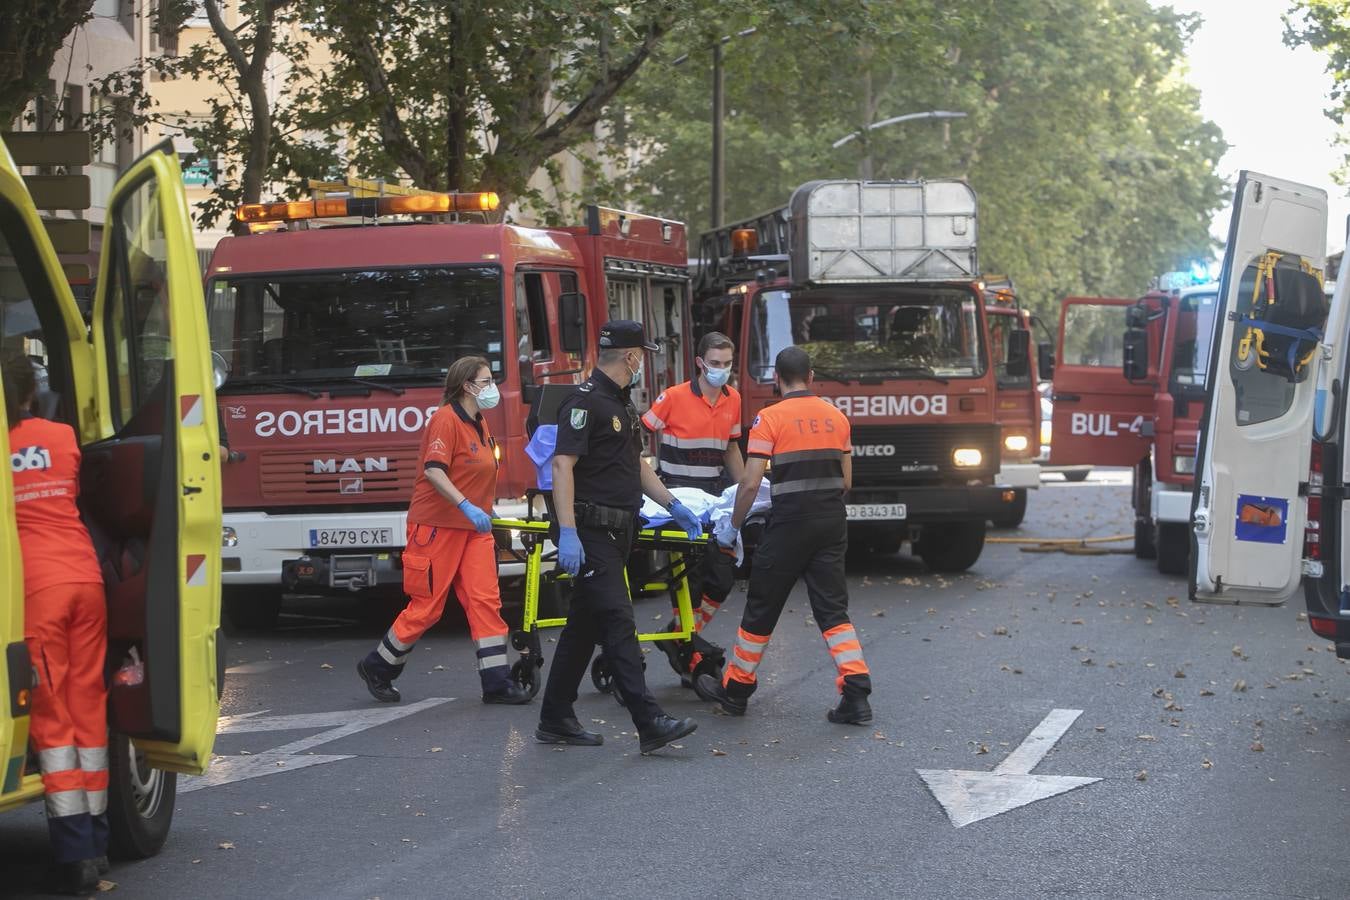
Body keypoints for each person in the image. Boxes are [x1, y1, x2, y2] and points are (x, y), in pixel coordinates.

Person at [535, 320, 700, 755]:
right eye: (641, 354)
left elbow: (636, 462)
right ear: (631, 357)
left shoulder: (621, 405)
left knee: (582, 628)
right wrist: (568, 533)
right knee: (618, 622)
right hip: (592, 534)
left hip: (619, 531)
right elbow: (561, 466)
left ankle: (555, 716)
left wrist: (671, 504)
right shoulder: (584, 402)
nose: (642, 361)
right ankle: (649, 721)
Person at [696, 346, 873, 725]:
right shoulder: (837, 418)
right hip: (830, 521)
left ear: (777, 379)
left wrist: (733, 526)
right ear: (811, 378)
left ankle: (736, 690)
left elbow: (749, 483)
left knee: (762, 604)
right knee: (832, 609)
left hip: (789, 523)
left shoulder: (768, 419)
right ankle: (856, 693)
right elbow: (846, 481)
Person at [357, 356, 531, 705]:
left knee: (485, 601)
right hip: (438, 526)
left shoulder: (478, 422)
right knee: (429, 606)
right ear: (468, 386)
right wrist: (465, 504)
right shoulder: (445, 420)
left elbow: (478, 472)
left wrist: (485, 508)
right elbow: (435, 472)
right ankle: (379, 665)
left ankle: (496, 682)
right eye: (486, 381)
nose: (492, 387)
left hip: (473, 527)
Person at [4, 351, 110, 893]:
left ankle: (74, 853)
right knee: (87, 700)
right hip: (85, 578)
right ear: (31, 393)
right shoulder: (62, 435)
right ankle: (97, 839)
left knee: (51, 716)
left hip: (38, 590)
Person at [641, 332, 743, 687]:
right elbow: (639, 437)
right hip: (678, 502)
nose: (721, 370)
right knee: (691, 581)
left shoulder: (733, 399)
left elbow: (730, 448)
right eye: (715, 364)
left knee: (723, 575)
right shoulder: (673, 397)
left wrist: (744, 491)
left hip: (713, 501)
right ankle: (687, 648)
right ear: (700, 362)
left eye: (727, 364)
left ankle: (681, 638)